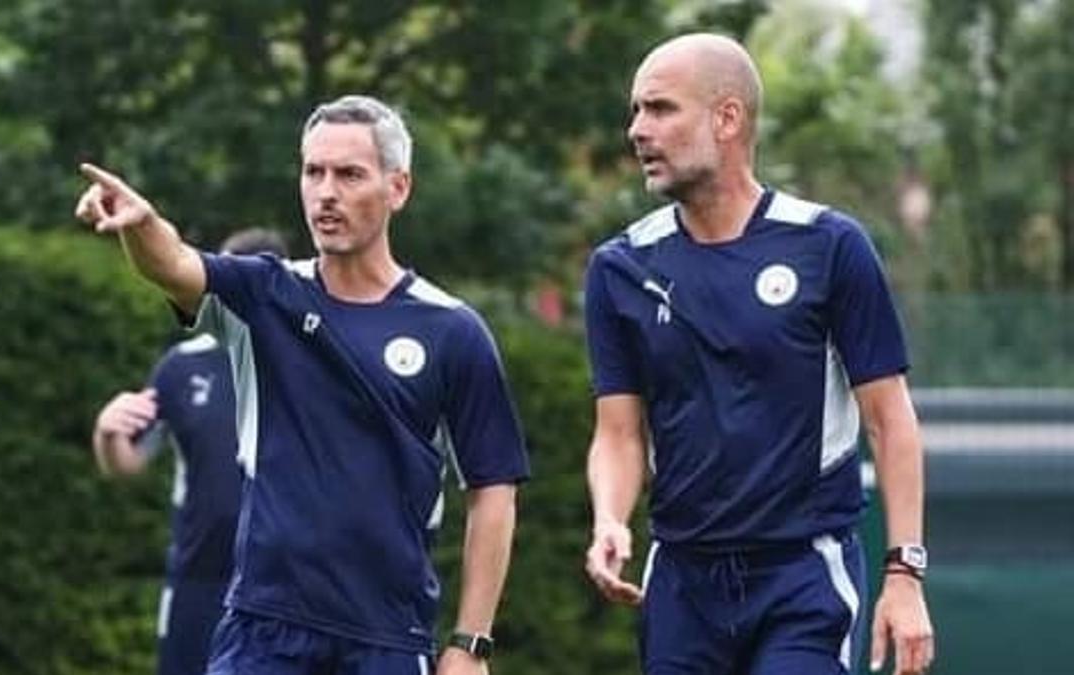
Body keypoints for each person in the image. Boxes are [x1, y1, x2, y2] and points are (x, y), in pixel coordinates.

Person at [75, 95, 529, 675]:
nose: (325, 192)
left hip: (388, 637)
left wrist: (471, 643)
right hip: (263, 632)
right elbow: (175, 263)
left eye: (349, 174)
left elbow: (494, 489)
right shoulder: (263, 295)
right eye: (313, 172)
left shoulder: (451, 330)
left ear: (399, 188)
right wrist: (140, 224)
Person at [582, 34, 935, 675]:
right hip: (682, 583)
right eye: (635, 111)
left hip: (803, 577)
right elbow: (618, 431)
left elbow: (890, 420)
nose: (637, 130)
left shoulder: (830, 246)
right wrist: (610, 518)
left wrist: (904, 572)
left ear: (727, 118)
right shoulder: (619, 267)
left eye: (660, 109)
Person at [92, 228, 286, 675]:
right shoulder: (182, 366)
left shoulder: (309, 365)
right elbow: (129, 464)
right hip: (200, 578)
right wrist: (108, 434)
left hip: (283, 586)